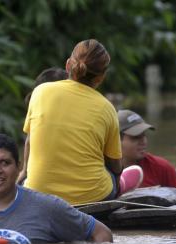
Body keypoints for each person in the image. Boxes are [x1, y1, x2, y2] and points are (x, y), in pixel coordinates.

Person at [21, 39, 123, 205]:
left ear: (68, 65)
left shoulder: (40, 92)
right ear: (101, 77)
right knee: (114, 176)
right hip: (92, 196)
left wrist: (23, 173)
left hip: (38, 193)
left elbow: (30, 141)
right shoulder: (107, 108)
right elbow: (115, 165)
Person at [118, 109, 176, 192]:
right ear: (116, 140)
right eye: (136, 136)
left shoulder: (162, 167)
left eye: (144, 135)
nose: (143, 141)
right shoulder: (102, 169)